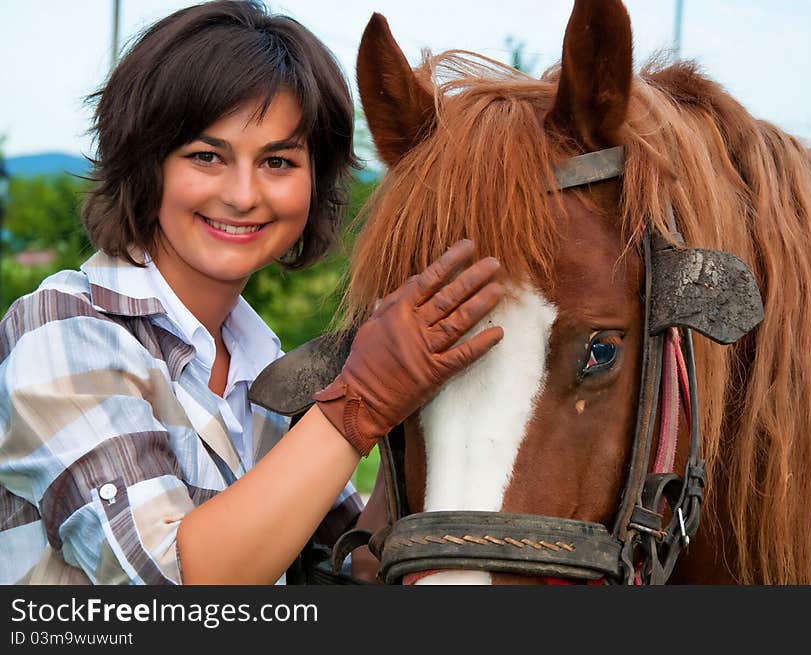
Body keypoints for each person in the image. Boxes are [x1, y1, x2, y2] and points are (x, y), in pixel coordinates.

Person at [0, 0, 504, 585]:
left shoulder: (262, 361)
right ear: (146, 164)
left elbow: (347, 567)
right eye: (207, 156)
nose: (243, 194)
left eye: (278, 161)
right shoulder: (64, 328)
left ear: (316, 181)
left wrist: (411, 412)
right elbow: (172, 588)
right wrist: (361, 399)